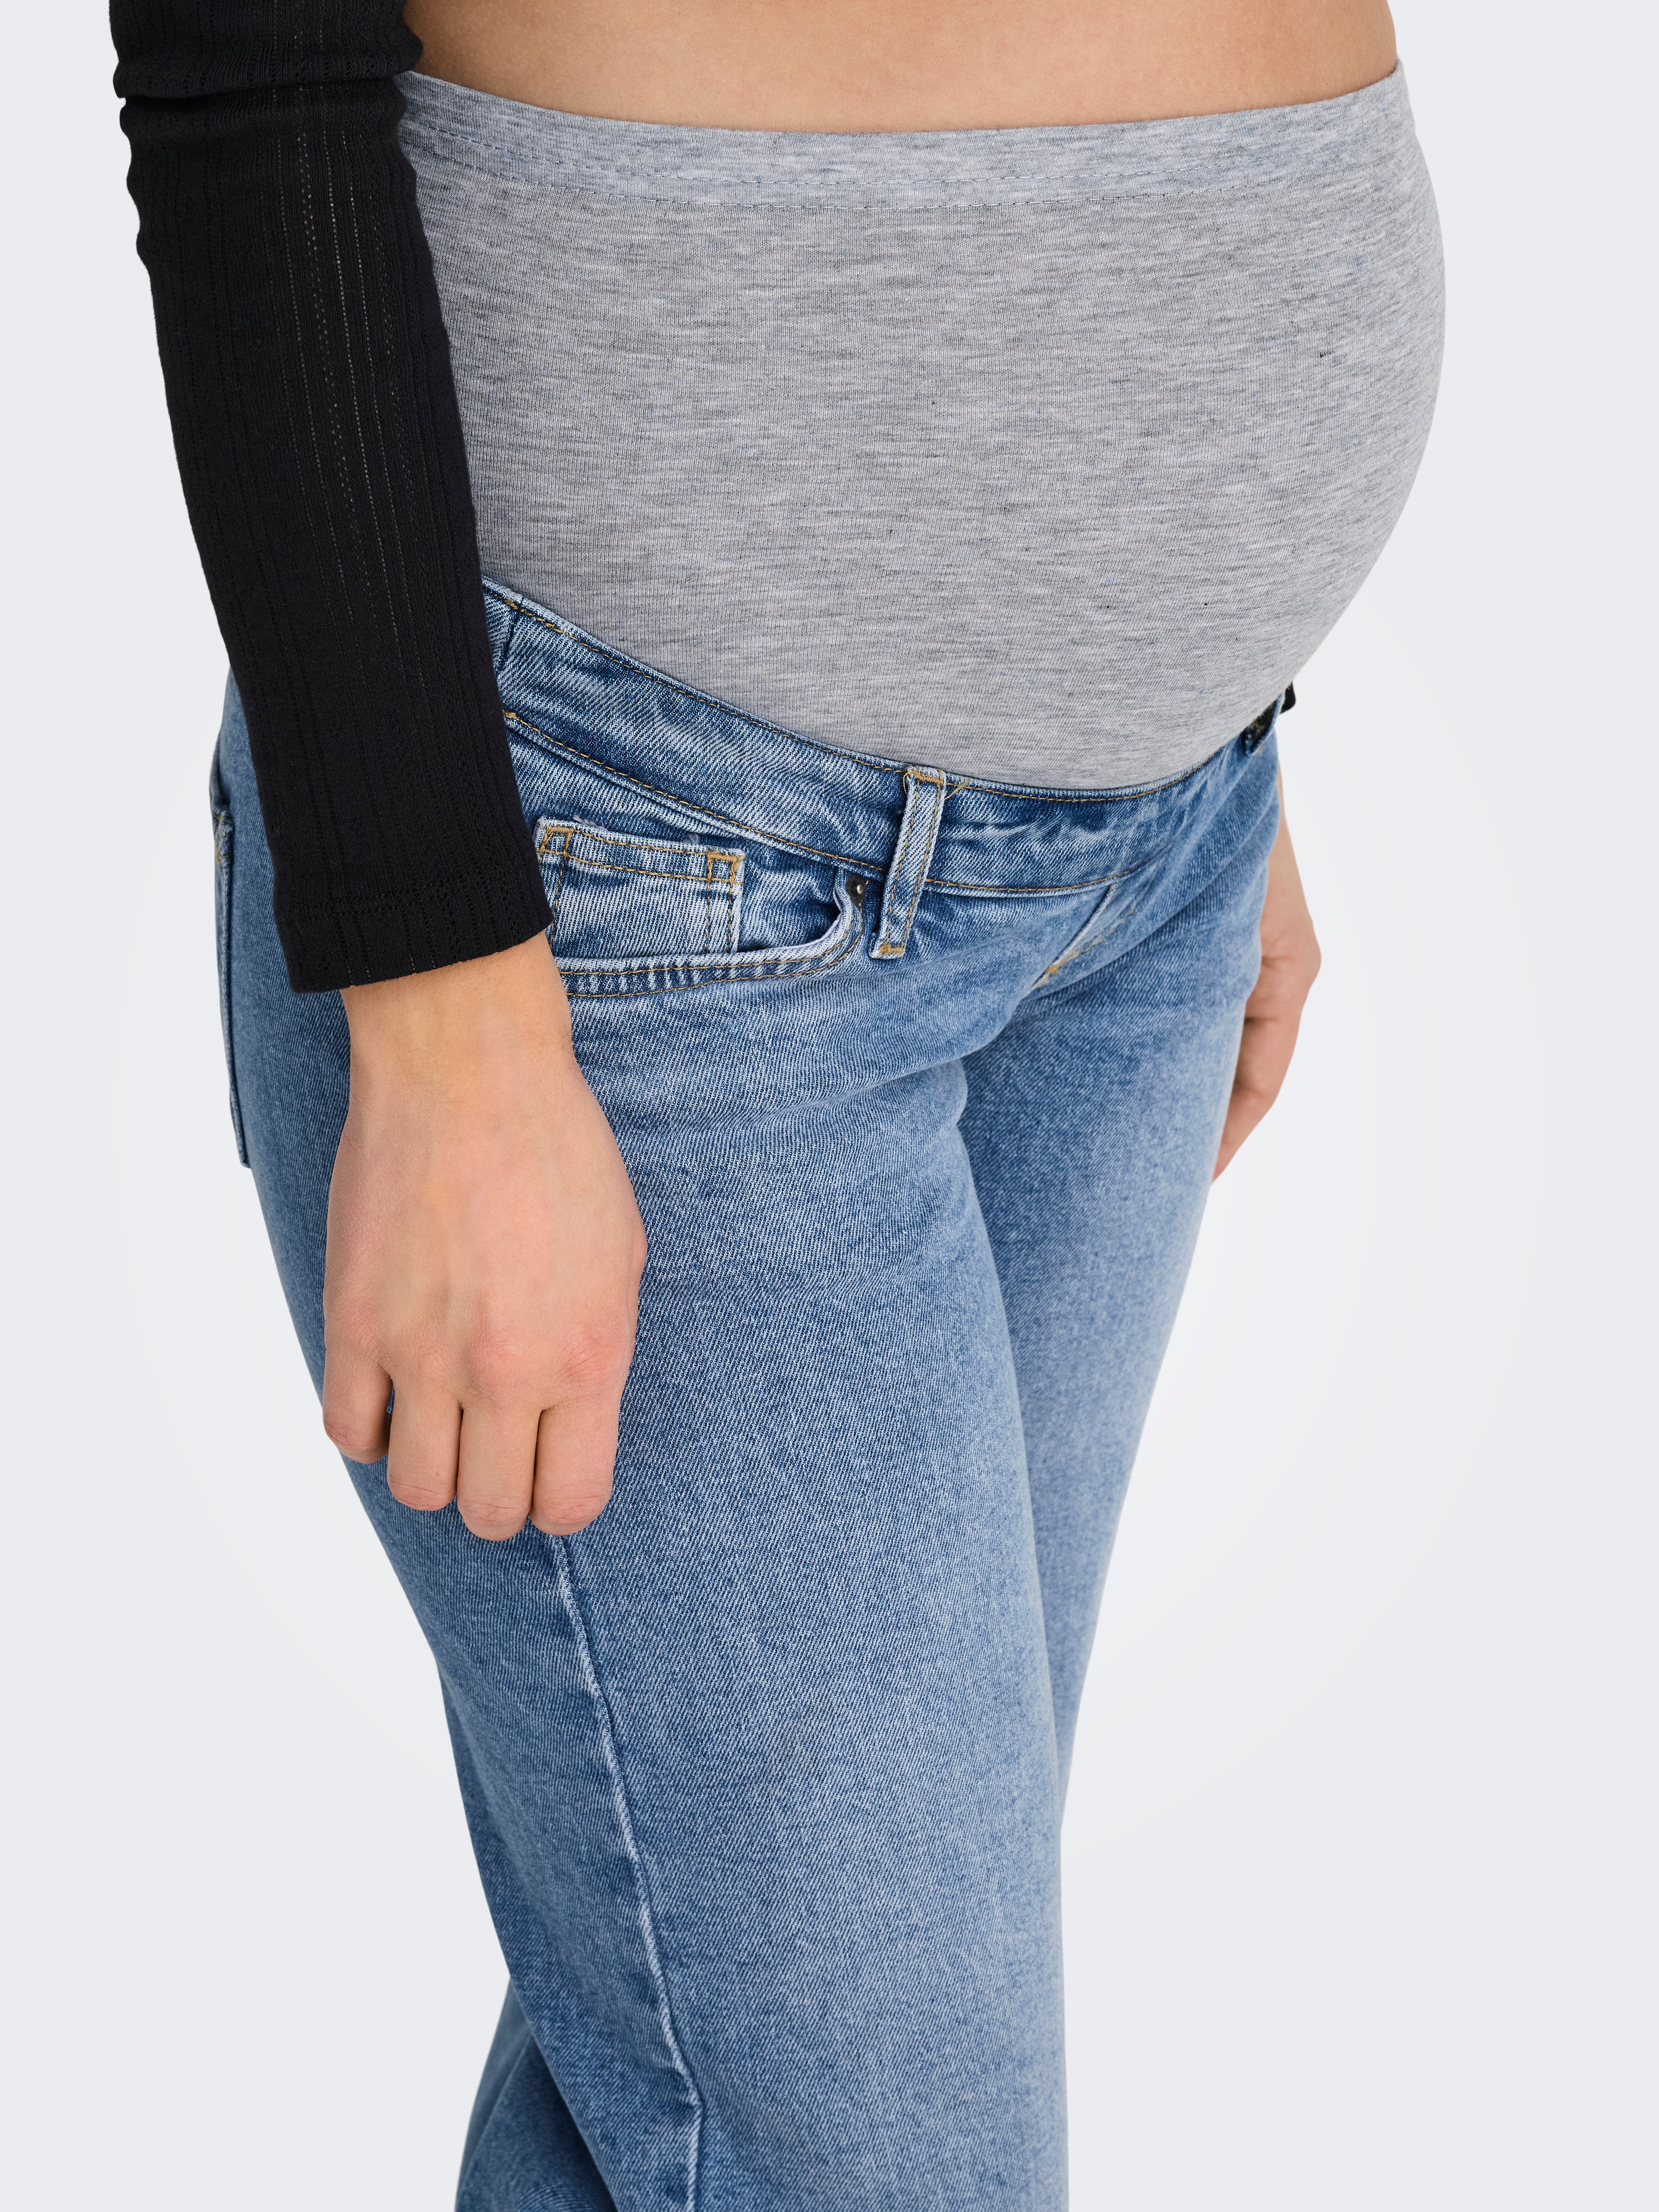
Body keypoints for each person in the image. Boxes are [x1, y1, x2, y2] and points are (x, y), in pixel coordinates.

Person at [113, 2, 1442, 2202]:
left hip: (1153, 849)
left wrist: (1168, 700)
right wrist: (441, 1004)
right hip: (635, 886)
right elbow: (246, 65)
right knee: (861, 2139)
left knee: (723, 2081)